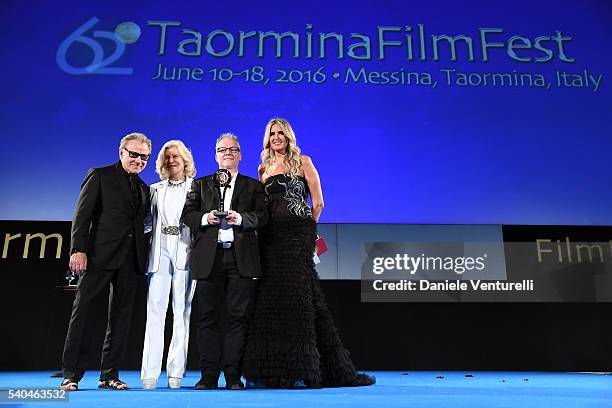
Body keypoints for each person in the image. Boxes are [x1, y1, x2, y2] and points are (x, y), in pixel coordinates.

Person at [242, 118, 375, 388]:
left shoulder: (303, 161)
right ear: (267, 138)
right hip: (270, 237)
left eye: (281, 133)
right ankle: (273, 370)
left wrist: (307, 229)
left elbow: (319, 202)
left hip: (297, 234)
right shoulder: (263, 168)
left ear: (288, 136)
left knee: (297, 296)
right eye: (272, 133)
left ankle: (302, 368)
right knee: (274, 297)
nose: (276, 137)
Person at [61, 133, 152, 391]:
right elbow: (82, 215)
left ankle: (109, 375)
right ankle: (71, 374)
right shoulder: (99, 175)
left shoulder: (145, 189)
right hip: (98, 256)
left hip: (131, 260)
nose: (138, 160)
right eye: (133, 154)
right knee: (83, 313)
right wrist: (78, 249)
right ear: (121, 151)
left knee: (121, 319)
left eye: (143, 156)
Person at [181, 133, 268, 390]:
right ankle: (208, 375)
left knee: (237, 318)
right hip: (209, 258)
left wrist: (240, 218)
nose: (228, 152)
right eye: (222, 149)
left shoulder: (253, 186)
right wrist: (205, 217)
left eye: (233, 149)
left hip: (240, 259)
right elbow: (188, 214)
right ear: (215, 155)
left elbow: (262, 217)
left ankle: (232, 375)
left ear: (240, 155)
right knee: (207, 317)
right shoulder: (200, 184)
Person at [141, 140, 197, 390]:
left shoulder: (197, 188)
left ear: (185, 160)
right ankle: (149, 374)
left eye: (176, 156)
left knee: (182, 312)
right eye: (167, 157)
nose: (172, 160)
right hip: (159, 250)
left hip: (186, 250)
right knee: (155, 312)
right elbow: (145, 223)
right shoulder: (154, 190)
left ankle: (176, 373)